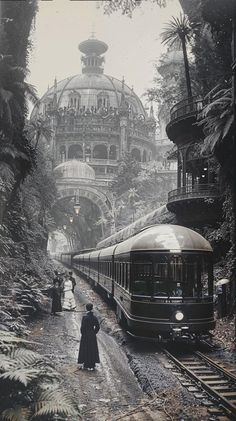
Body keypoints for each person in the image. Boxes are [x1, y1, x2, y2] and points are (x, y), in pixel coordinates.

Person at [78, 303, 100, 370]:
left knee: (86, 349)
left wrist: (83, 334)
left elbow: (82, 328)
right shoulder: (94, 318)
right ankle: (92, 364)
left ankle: (86, 363)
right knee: (92, 349)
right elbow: (98, 327)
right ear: (92, 308)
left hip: (85, 335)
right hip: (92, 335)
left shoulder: (85, 318)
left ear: (86, 308)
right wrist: (94, 333)